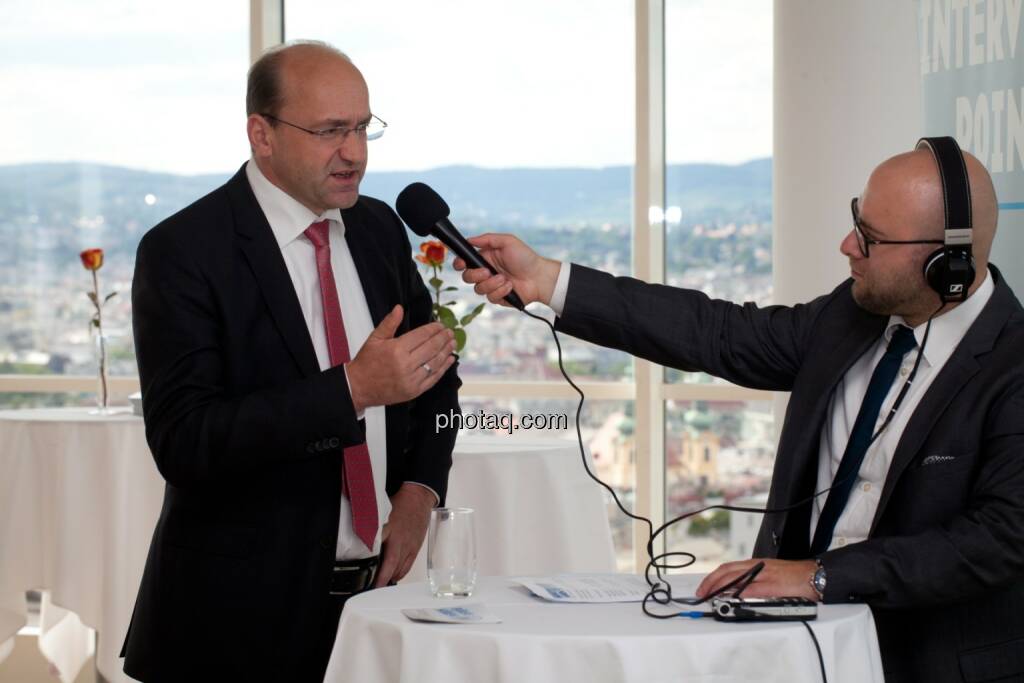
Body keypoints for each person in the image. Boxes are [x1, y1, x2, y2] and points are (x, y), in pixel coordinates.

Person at [457, 145, 1024, 682]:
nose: (847, 245)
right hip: (795, 652)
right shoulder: (847, 318)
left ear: (946, 264)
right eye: (856, 221)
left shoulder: (1012, 365)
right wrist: (547, 280)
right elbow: (714, 331)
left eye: (871, 238)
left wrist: (821, 576)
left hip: (926, 663)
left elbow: (999, 537)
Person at [121, 41, 460, 682]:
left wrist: (420, 491)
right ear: (262, 134)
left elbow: (436, 376)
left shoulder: (378, 230)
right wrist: (351, 391)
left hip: (374, 613)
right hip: (233, 626)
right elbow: (185, 440)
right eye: (331, 130)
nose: (355, 152)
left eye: (363, 128)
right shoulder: (184, 251)